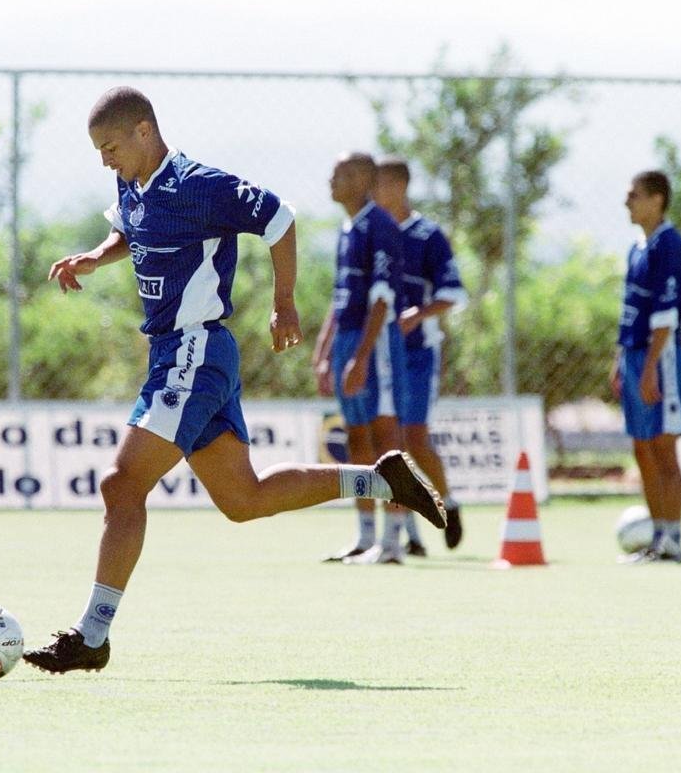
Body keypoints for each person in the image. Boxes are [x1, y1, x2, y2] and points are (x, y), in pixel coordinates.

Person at [23, 88, 445, 674]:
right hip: (177, 354)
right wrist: (94, 257)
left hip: (195, 350)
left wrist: (284, 303)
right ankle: (380, 483)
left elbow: (281, 219)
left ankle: (92, 635)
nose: (105, 161)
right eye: (99, 151)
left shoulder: (201, 185)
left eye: (111, 147)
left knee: (122, 485)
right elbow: (132, 232)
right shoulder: (131, 182)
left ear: (145, 131)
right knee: (243, 500)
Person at [312, 152, 420, 565]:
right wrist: (326, 354)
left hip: (375, 345)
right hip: (349, 342)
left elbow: (382, 300)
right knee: (356, 436)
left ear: (359, 180)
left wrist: (360, 357)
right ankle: (365, 537)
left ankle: (393, 542)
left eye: (338, 174)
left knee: (386, 438)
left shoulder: (381, 227)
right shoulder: (347, 229)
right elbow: (342, 300)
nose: (330, 181)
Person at [373, 156, 467, 553]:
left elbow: (454, 293)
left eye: (378, 184)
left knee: (414, 437)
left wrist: (419, 314)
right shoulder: (372, 232)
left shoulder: (428, 235)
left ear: (397, 186)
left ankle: (449, 505)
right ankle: (408, 535)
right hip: (378, 354)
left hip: (416, 353)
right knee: (387, 442)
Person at [610, 170, 681, 563]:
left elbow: (666, 315)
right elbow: (633, 310)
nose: (627, 202)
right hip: (634, 355)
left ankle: (674, 539)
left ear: (657, 200)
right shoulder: (637, 247)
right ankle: (658, 537)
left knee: (663, 448)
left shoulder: (669, 247)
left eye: (634, 194)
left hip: (661, 358)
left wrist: (650, 368)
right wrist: (621, 360)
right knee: (642, 448)